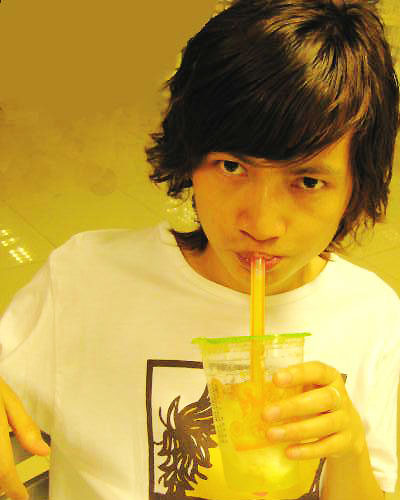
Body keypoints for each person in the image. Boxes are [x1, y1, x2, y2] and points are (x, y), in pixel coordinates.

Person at [0, 0, 399, 498]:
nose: (262, 224)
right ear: (190, 158)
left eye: (308, 181)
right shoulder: (86, 280)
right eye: (232, 167)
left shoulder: (372, 317)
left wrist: (349, 452)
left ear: (355, 188)